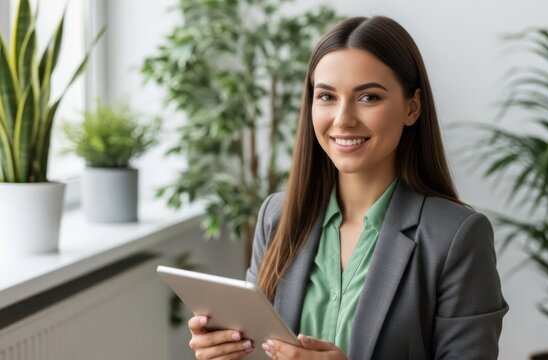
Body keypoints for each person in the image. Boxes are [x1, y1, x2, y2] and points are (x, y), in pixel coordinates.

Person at [188, 15, 508, 360]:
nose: (343, 119)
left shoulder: (455, 236)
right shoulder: (277, 217)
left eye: (369, 97)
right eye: (326, 97)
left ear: (412, 108)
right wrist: (226, 351)